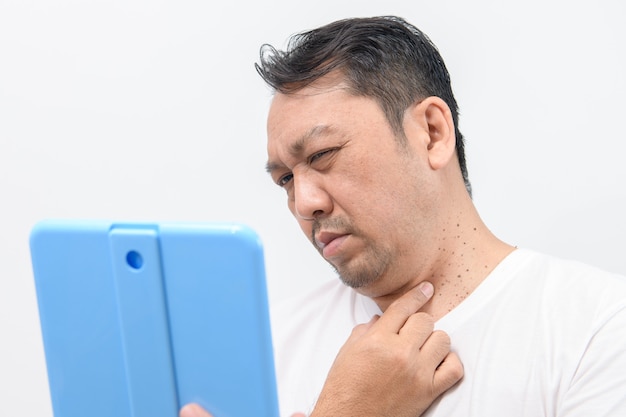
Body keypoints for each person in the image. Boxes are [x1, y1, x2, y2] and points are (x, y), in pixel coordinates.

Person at [182, 15, 626, 417]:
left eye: (322, 155)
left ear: (432, 133)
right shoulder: (264, 349)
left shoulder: (596, 332)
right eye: (285, 180)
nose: (304, 204)